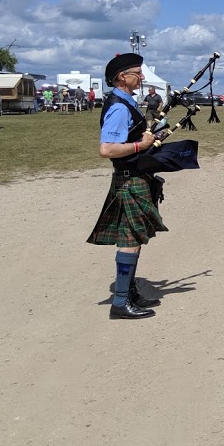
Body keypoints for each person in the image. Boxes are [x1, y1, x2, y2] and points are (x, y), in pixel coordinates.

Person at [87, 53, 165, 319]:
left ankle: (128, 293)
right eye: (137, 73)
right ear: (122, 77)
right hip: (128, 180)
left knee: (136, 238)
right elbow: (106, 149)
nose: (142, 77)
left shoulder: (126, 102)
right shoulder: (119, 107)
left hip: (136, 177)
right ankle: (120, 302)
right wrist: (139, 145)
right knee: (130, 239)